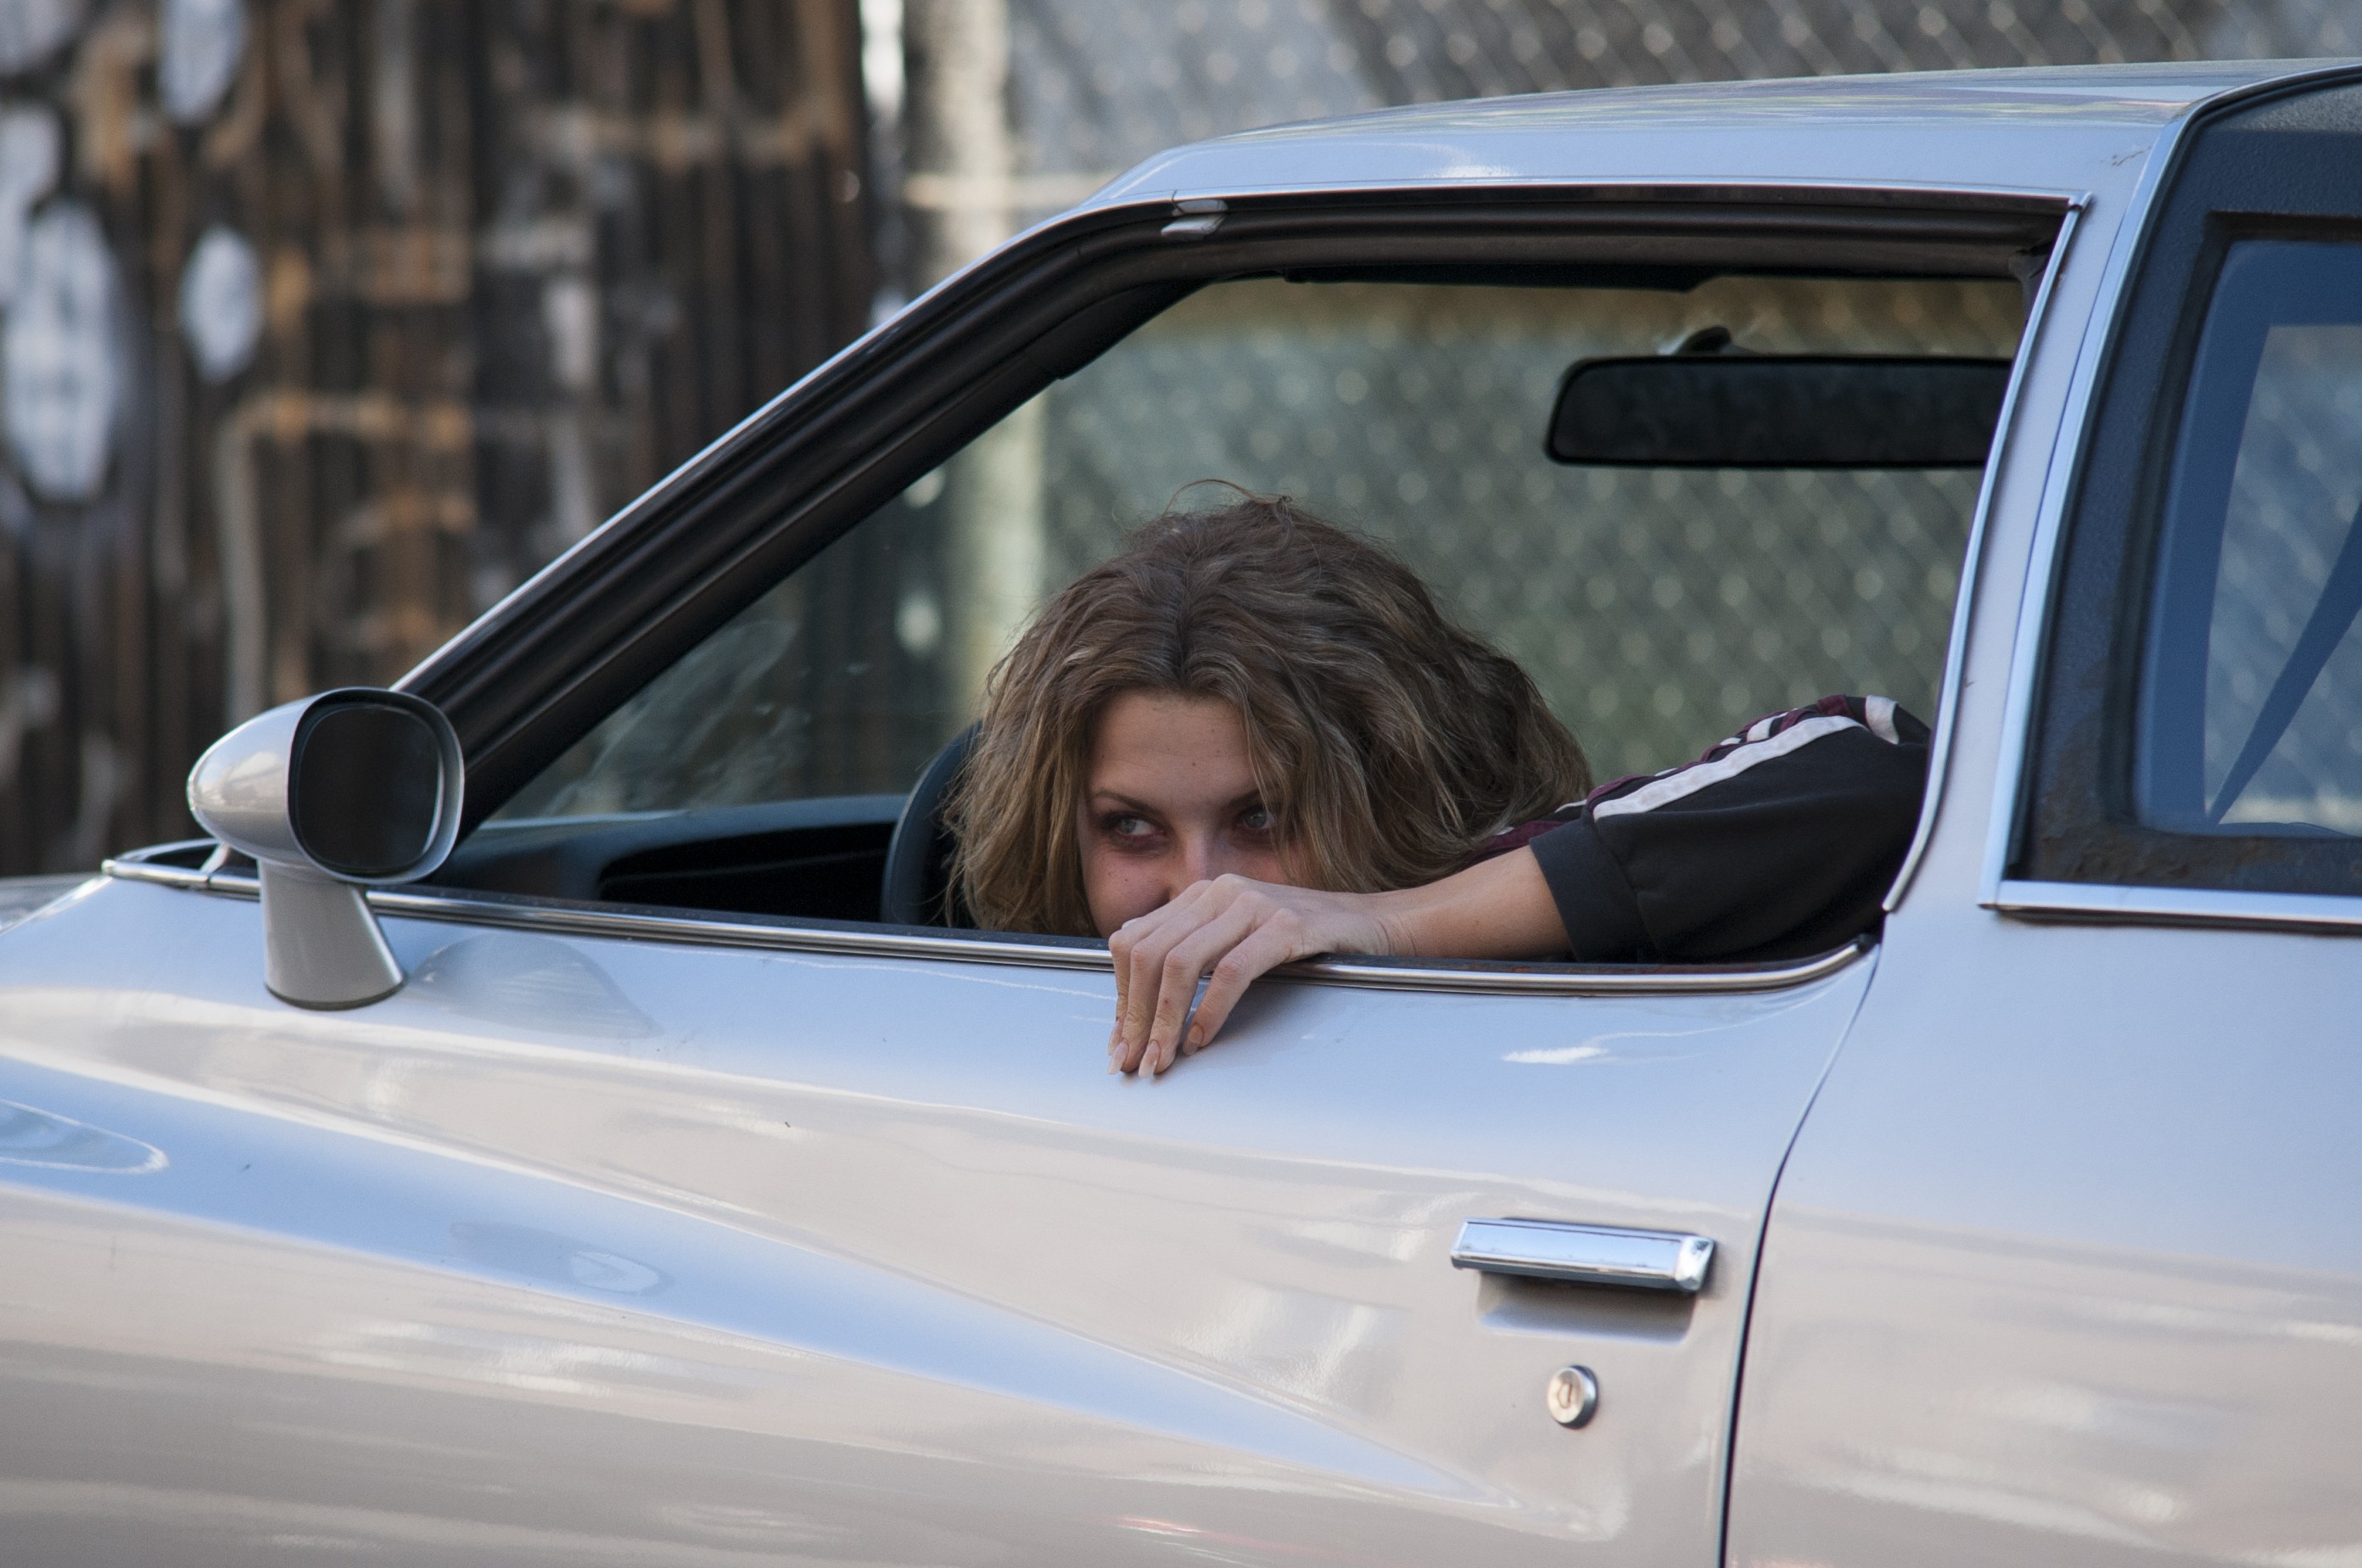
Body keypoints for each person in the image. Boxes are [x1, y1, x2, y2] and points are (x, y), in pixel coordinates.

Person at [944, 494, 1929, 1077]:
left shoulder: (1492, 930)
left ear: (1388, 789)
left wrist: (1385, 923)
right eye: (1131, 828)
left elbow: (1879, 778)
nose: (1205, 888)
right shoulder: (1009, 1015)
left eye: (1265, 816)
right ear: (1056, 833)